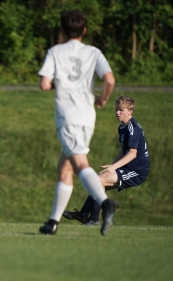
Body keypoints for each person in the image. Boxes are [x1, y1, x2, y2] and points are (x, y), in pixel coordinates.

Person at [37, 10, 119, 235]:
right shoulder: (94, 52)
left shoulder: (55, 51)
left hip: (68, 116)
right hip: (87, 115)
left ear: (63, 30)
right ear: (84, 30)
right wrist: (102, 98)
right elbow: (109, 80)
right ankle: (52, 223)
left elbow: (44, 84)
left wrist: (59, 85)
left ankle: (105, 202)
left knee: (80, 164)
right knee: (64, 168)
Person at [63, 95, 150, 225]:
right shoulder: (122, 127)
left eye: (121, 110)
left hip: (138, 170)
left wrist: (114, 168)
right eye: (116, 109)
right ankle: (83, 215)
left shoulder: (132, 129)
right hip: (128, 167)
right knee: (98, 180)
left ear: (130, 111)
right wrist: (113, 165)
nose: (117, 112)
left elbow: (132, 154)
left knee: (99, 181)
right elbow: (123, 150)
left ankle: (94, 219)